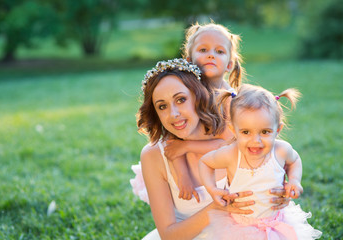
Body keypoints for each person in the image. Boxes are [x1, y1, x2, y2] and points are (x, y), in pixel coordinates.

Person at [131, 59, 290, 239]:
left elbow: (279, 162)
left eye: (181, 100)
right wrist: (217, 207)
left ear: (198, 97)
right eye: (162, 106)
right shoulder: (154, 155)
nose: (173, 114)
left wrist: (281, 192)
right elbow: (168, 235)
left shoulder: (237, 135)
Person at [199, 84, 322, 239]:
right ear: (233, 129)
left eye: (265, 132)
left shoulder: (281, 150)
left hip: (276, 221)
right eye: (245, 132)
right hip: (239, 227)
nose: (255, 141)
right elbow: (205, 162)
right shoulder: (230, 154)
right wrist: (212, 188)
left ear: (277, 130)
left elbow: (295, 160)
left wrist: (294, 180)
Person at [161, 22, 246, 200]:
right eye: (203, 50)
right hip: (191, 168)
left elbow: (229, 144)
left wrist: (186, 146)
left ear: (229, 65)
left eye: (219, 51)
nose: (211, 56)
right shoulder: (183, 93)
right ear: (189, 60)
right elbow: (172, 141)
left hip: (225, 170)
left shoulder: (229, 98)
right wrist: (182, 176)